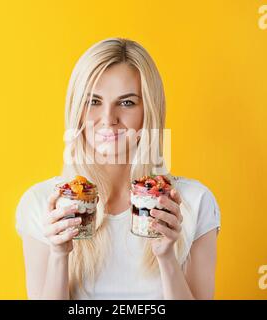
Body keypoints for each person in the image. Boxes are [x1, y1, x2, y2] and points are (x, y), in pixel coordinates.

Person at [16, 37, 221, 300]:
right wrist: (59, 255)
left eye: (126, 103)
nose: (108, 120)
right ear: (76, 109)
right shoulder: (41, 205)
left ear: (149, 111)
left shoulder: (195, 202)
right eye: (93, 101)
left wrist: (167, 257)